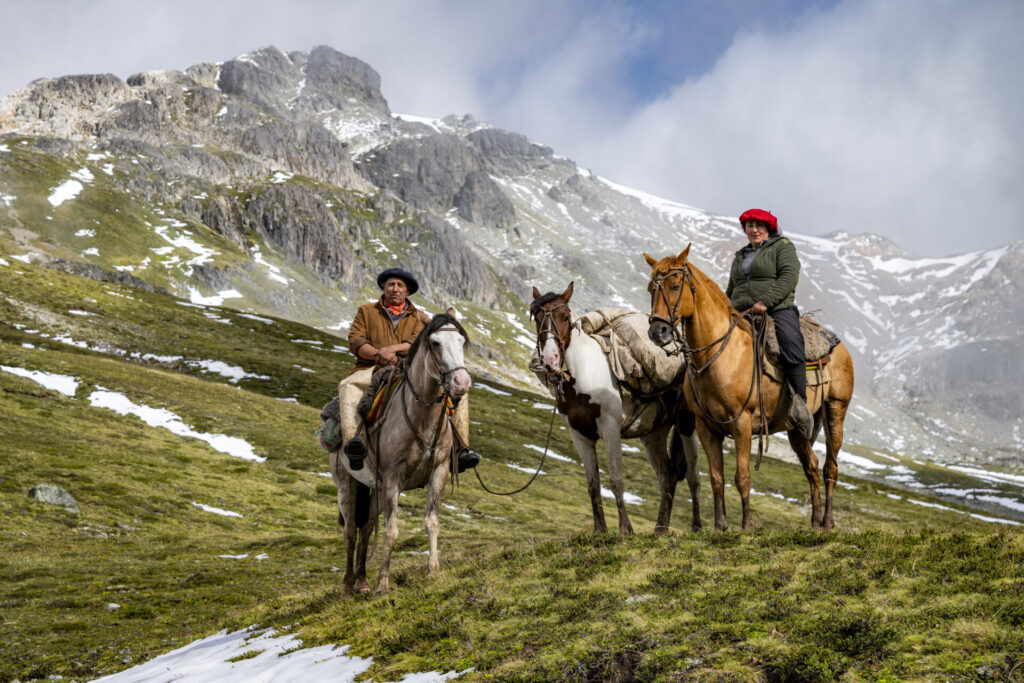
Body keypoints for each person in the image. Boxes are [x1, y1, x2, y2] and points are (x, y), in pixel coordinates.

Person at [338, 267, 481, 472]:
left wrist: (393, 349)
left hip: (407, 370)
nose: (395, 289)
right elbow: (355, 340)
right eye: (391, 284)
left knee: (460, 392)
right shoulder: (366, 311)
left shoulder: (419, 317)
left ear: (407, 291)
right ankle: (355, 442)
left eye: (400, 285)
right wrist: (379, 354)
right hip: (371, 367)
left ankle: (460, 449)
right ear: (383, 288)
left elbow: (418, 341)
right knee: (348, 385)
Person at [725, 209, 814, 439]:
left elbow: (789, 276)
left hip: (777, 309)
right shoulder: (740, 255)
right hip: (739, 311)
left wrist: (766, 302)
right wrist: (723, 308)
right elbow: (732, 287)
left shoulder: (782, 247)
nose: (754, 230)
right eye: (749, 225)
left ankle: (799, 404)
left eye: (759, 225)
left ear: (769, 228)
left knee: (790, 343)